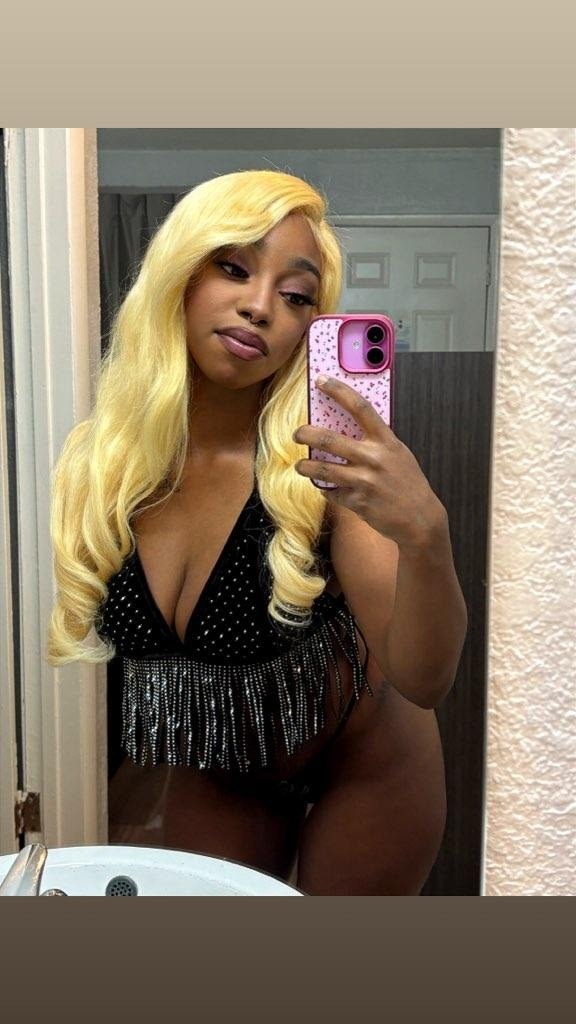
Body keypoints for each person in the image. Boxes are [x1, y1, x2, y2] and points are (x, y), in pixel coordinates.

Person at [48, 169, 467, 895]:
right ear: (180, 277)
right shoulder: (106, 463)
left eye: (297, 295)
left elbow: (426, 679)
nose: (260, 306)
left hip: (368, 762)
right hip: (225, 758)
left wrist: (428, 536)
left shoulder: (321, 465)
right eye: (234, 269)